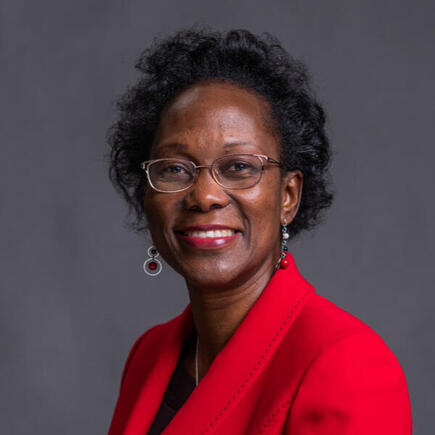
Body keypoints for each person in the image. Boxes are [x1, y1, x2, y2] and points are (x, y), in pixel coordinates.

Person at [106, 27, 412, 434]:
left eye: (239, 167)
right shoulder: (148, 355)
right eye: (175, 169)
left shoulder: (347, 364)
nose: (204, 196)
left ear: (287, 195)